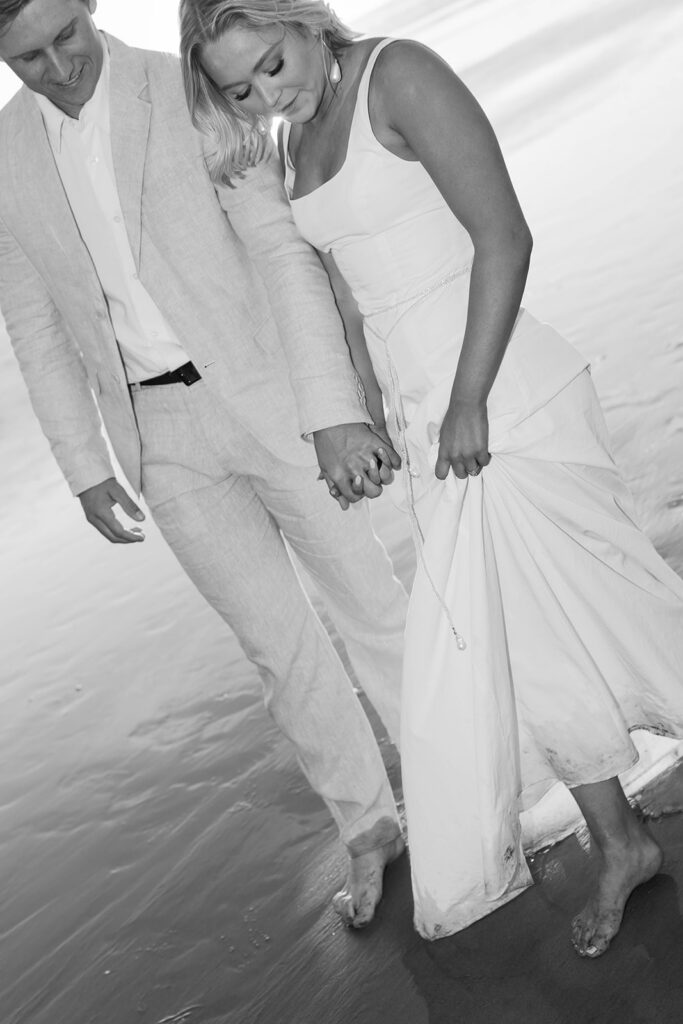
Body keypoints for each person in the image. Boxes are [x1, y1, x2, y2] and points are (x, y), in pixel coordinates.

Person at [179, 0, 683, 956]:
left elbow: (505, 235)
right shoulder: (291, 145)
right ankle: (621, 844)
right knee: (531, 648)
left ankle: (621, 840)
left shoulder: (398, 73)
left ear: (302, 21)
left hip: (502, 396)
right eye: (240, 89)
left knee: (611, 607)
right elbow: (349, 299)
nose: (268, 94)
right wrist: (367, 418)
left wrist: (467, 398)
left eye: (274, 65)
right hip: (428, 420)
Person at [0, 0, 410, 930]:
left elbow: (279, 250)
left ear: (91, 6)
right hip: (157, 436)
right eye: (27, 57)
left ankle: (459, 780)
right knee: (278, 645)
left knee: (371, 603)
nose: (59, 66)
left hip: (277, 396)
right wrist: (84, 465)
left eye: (66, 35)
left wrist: (333, 409)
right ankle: (368, 827)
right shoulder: (5, 157)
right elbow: (32, 319)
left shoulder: (187, 86)